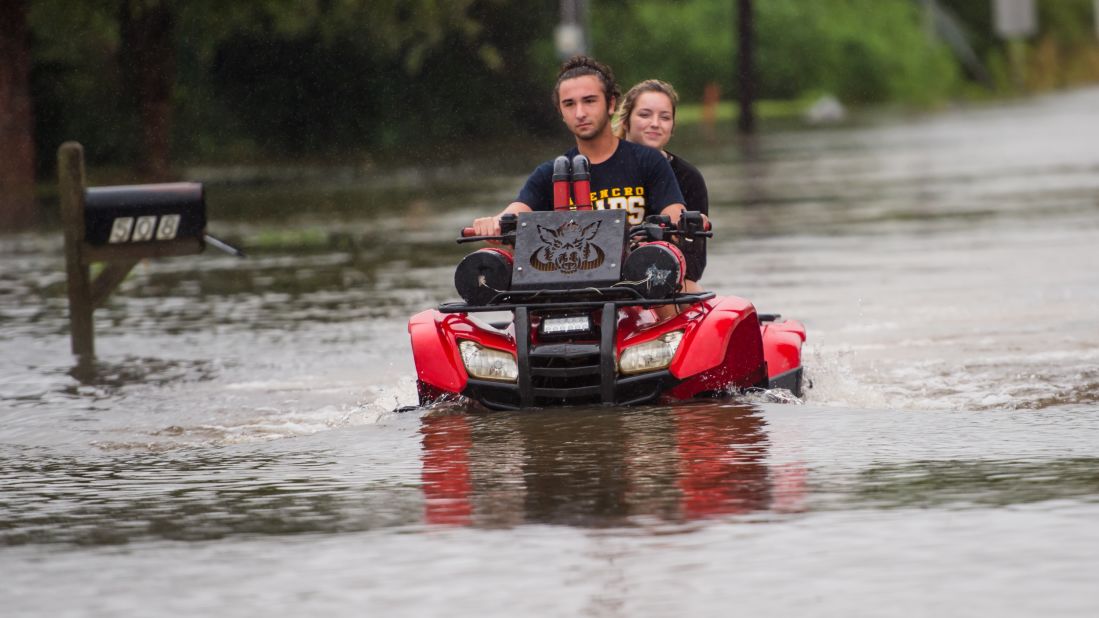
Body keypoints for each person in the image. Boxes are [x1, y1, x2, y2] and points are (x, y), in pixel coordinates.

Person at [471, 56, 691, 237]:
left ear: (611, 104)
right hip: (573, 282)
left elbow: (677, 219)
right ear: (561, 112)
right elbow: (513, 213)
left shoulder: (650, 162)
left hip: (638, 282)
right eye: (569, 104)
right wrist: (493, 225)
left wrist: (679, 224)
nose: (580, 113)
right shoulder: (548, 174)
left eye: (589, 101)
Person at [615, 79, 709, 294]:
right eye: (645, 115)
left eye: (664, 117)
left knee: (693, 290)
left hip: (661, 283)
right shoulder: (597, 169)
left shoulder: (689, 177)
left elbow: (694, 267)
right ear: (626, 121)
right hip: (603, 285)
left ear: (673, 126)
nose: (655, 123)